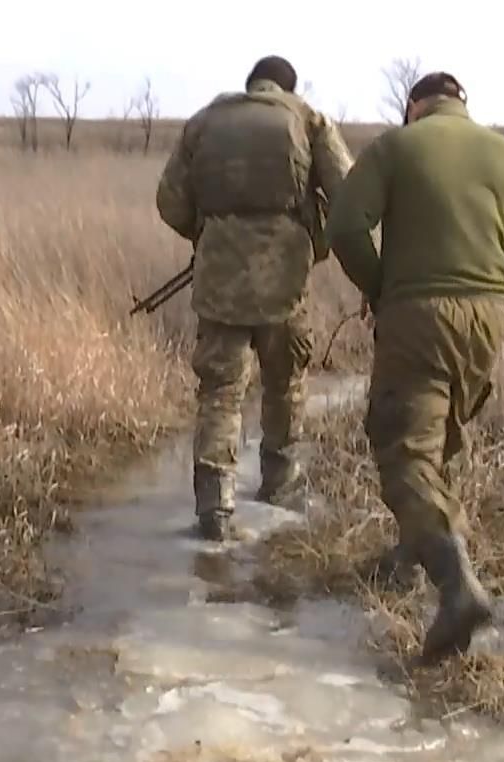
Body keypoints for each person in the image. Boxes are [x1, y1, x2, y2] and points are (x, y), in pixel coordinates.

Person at [325, 71, 504, 661]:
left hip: (418, 315)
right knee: (442, 435)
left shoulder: (396, 147)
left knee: (405, 451)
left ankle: (457, 586)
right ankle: (411, 553)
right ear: (461, 105)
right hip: (487, 320)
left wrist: (383, 291)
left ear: (414, 105)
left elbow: (346, 226)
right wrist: (492, 292)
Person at [156, 55, 354, 541]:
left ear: (251, 85)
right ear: (288, 88)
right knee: (285, 381)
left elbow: (170, 201)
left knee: (221, 390)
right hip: (286, 279)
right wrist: (316, 243)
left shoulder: (204, 122)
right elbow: (350, 193)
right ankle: (279, 485)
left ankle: (215, 503)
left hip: (220, 280)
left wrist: (209, 236)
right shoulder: (308, 119)